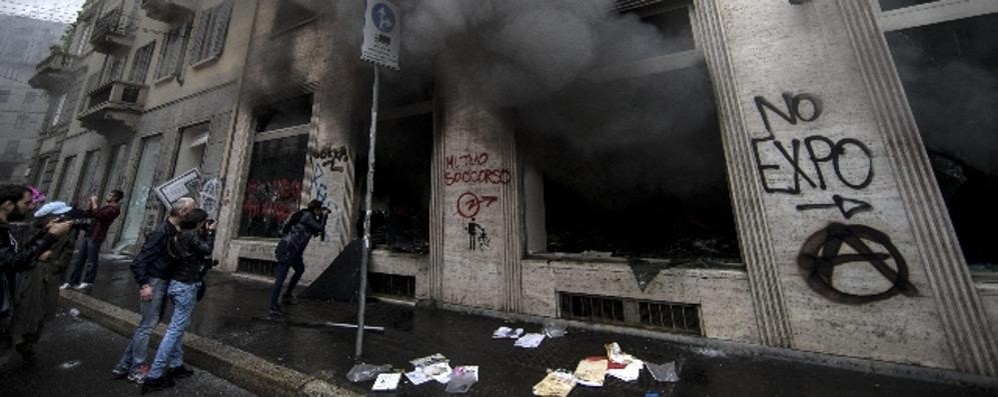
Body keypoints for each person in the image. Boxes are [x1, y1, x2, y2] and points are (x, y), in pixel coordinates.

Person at [111, 197, 196, 383]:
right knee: (146, 326)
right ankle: (136, 368)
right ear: (182, 213)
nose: (194, 213)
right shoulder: (162, 232)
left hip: (162, 281)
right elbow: (139, 260)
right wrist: (145, 284)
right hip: (154, 282)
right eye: (192, 210)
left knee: (148, 324)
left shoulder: (174, 230)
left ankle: (124, 365)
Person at [141, 209, 215, 393]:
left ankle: (176, 364)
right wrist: (211, 233)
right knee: (174, 330)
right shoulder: (191, 236)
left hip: (175, 284)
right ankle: (154, 375)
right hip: (185, 285)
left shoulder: (178, 235)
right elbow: (207, 250)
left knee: (178, 326)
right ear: (200, 222)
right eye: (205, 222)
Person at [0, 185, 72, 356]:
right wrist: (50, 236)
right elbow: (15, 261)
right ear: (9, 205)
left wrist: (46, 234)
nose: (32, 206)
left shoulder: (6, 228)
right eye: (27, 202)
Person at [270, 200, 328, 316]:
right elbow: (320, 227)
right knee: (281, 278)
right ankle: (273, 306)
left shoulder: (307, 215)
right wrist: (324, 216)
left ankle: (287, 295)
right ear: (315, 209)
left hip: (295, 251)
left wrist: (321, 215)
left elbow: (316, 229)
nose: (319, 211)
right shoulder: (307, 216)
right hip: (287, 249)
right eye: (319, 209)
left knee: (300, 270)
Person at [62, 190, 123, 290]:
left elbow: (98, 215)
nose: (107, 196)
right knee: (79, 260)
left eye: (110, 195)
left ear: (115, 198)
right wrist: (91, 205)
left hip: (96, 237)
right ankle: (72, 281)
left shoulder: (114, 209)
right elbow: (91, 214)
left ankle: (88, 282)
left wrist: (94, 203)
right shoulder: (106, 207)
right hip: (89, 234)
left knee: (91, 260)